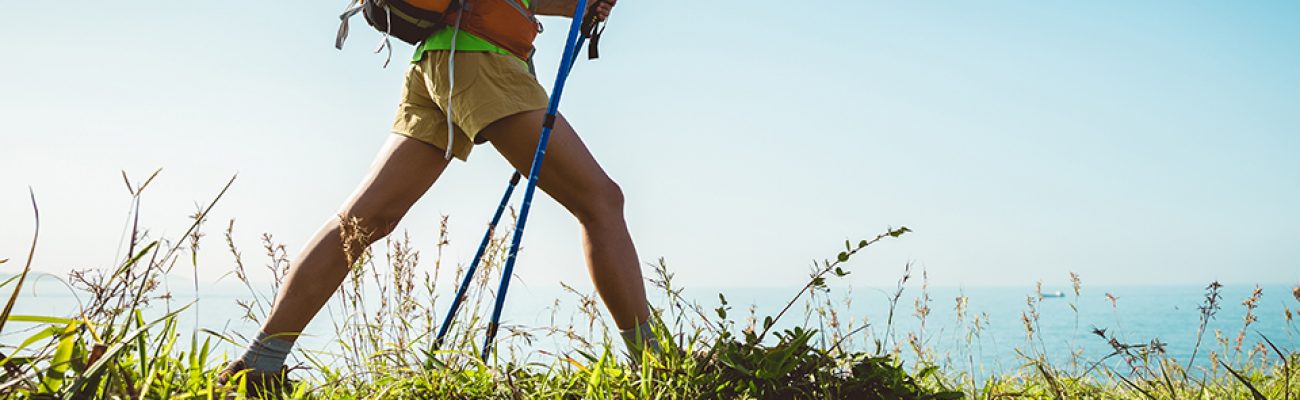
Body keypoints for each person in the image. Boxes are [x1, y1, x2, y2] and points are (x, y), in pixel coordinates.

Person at [218, 0, 652, 390]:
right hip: (482, 57)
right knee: (600, 201)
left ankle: (260, 363)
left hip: (438, 57)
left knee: (363, 220)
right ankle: (655, 363)